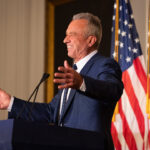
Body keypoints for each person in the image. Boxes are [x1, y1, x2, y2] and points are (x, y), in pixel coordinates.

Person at [0, 12, 123, 149]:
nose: (65, 40)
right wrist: (10, 102)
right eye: (66, 34)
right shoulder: (73, 73)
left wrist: (82, 82)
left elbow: (113, 90)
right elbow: (51, 112)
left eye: (72, 34)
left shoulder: (104, 65)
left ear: (90, 40)